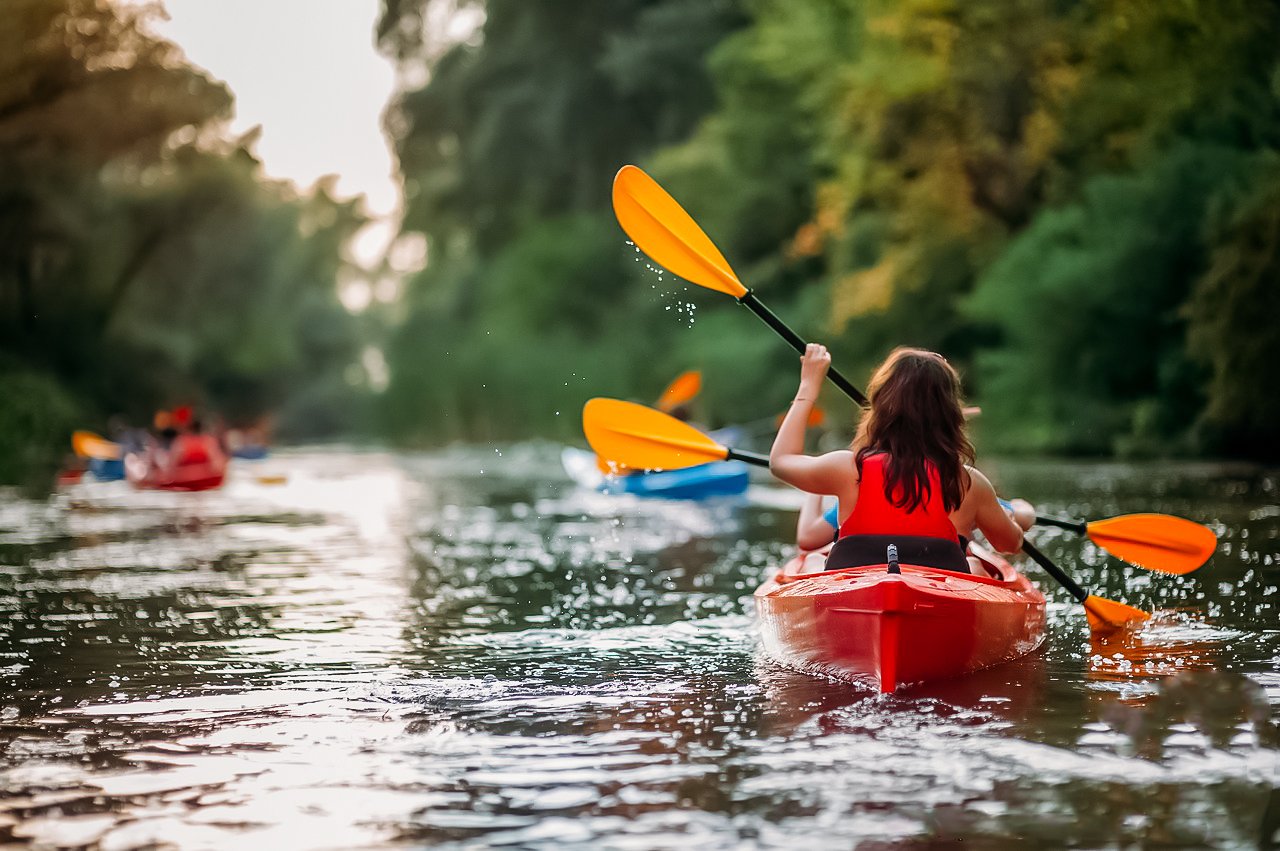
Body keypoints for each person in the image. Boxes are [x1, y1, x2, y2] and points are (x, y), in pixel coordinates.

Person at [772, 344, 1035, 575]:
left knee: (814, 560)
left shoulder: (849, 467)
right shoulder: (968, 482)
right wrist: (1023, 514)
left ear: (880, 406)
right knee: (975, 566)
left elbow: (781, 461)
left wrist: (808, 386)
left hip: (854, 585)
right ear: (952, 414)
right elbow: (1009, 545)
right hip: (940, 593)